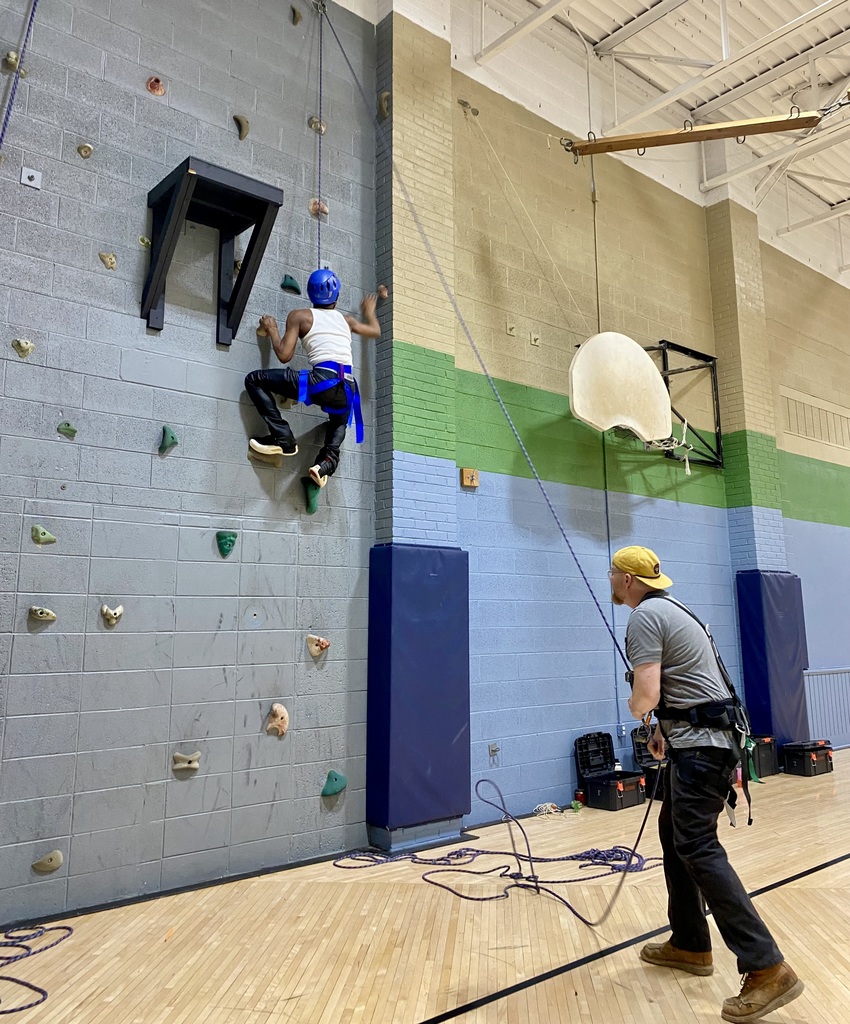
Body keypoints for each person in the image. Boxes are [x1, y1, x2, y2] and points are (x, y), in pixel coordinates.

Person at [611, 545, 803, 1024]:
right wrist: (662, 728)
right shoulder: (672, 609)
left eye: (613, 574)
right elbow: (687, 688)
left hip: (701, 750)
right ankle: (690, 943)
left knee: (696, 845)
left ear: (629, 580)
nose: (610, 581)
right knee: (673, 838)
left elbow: (648, 693)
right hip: (700, 744)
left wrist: (638, 711)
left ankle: (767, 967)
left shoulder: (642, 618)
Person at [244, 268, 380, 487]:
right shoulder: (347, 320)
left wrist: (272, 328)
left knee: (254, 379)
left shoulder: (300, 316)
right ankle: (325, 462)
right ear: (336, 297)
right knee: (338, 422)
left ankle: (283, 438)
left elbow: (284, 355)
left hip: (320, 383)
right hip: (348, 388)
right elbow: (374, 330)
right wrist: (370, 310)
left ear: (310, 293)